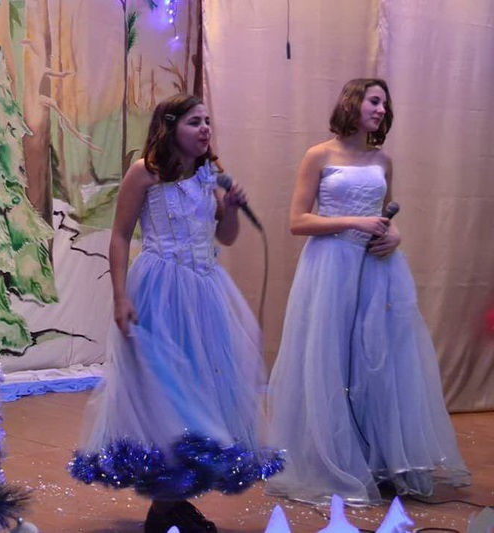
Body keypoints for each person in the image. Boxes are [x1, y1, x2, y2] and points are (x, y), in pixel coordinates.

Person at [69, 93, 282, 533]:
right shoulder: (145, 173)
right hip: (160, 289)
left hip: (204, 291)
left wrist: (232, 208)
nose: (205, 129)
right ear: (170, 127)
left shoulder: (209, 175)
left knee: (198, 389)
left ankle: (171, 503)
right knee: (167, 390)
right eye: (194, 122)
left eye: (207, 121)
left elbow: (225, 236)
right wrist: (120, 296)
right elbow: (120, 236)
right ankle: (167, 505)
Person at [266, 78, 470, 506]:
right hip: (330, 266)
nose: (380, 109)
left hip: (378, 268)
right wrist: (354, 222)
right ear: (352, 102)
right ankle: (333, 459)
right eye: (374, 101)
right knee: (331, 357)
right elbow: (298, 221)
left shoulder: (383, 160)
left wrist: (394, 235)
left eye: (384, 104)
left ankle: (378, 460)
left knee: (376, 359)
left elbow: (385, 217)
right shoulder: (319, 155)